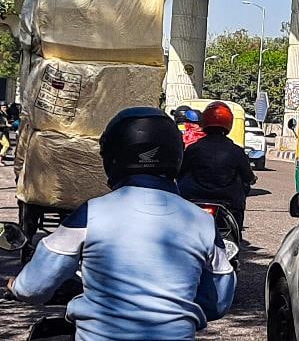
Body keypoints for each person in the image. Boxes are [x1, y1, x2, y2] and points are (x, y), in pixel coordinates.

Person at [6, 107, 236, 339]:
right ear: (177, 155)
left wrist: (16, 286)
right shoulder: (202, 221)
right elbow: (218, 303)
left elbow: (34, 287)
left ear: (112, 157)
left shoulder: (89, 214)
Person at [178, 101, 256, 229]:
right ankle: (236, 233)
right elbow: (247, 177)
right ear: (229, 123)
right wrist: (252, 179)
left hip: (194, 199)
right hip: (228, 201)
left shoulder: (193, 149)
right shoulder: (236, 151)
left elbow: (180, 172)